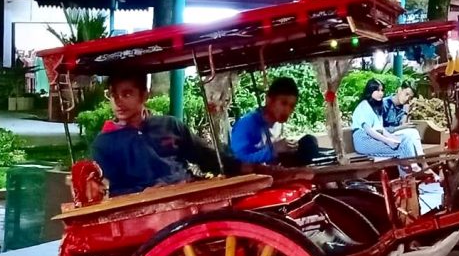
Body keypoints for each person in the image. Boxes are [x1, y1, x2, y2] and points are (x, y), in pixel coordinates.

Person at [91, 73, 236, 196]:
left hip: (187, 193)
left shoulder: (170, 125)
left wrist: (239, 167)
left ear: (144, 96)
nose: (117, 102)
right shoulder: (104, 143)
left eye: (126, 94)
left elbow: (205, 156)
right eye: (112, 95)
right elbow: (111, 191)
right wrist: (145, 193)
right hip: (144, 208)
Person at [229, 77, 321, 166]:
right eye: (283, 103)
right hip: (252, 179)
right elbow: (237, 161)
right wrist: (273, 150)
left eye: (292, 106)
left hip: (274, 173)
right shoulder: (246, 124)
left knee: (309, 142)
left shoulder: (278, 124)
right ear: (269, 100)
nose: (287, 110)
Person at [351, 78, 423, 161]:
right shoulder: (364, 105)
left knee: (405, 143)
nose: (381, 93)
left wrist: (392, 138)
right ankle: (414, 167)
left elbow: (380, 129)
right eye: (377, 90)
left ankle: (410, 169)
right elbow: (369, 130)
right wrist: (388, 141)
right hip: (364, 140)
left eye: (382, 90)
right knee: (403, 147)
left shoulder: (375, 107)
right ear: (370, 91)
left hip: (374, 138)